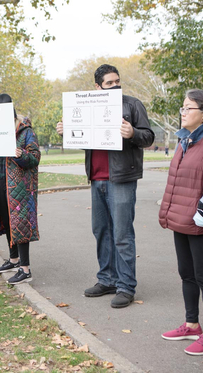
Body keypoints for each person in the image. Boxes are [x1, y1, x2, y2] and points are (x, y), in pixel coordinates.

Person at [56, 64, 154, 308]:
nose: (115, 86)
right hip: (97, 178)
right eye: (109, 83)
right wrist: (67, 132)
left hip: (121, 178)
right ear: (97, 86)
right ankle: (107, 279)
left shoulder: (132, 105)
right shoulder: (88, 105)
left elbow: (148, 136)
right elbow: (86, 137)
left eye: (117, 81)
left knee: (122, 233)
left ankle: (126, 286)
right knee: (101, 231)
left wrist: (132, 133)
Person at [159, 90, 203, 356]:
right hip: (180, 218)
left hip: (200, 221)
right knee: (186, 273)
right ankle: (192, 324)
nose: (183, 112)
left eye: (189, 108)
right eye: (182, 107)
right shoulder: (183, 141)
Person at [0, 93, 41, 285]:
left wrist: (20, 154)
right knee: (6, 222)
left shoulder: (25, 131)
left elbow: (35, 157)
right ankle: (13, 261)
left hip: (19, 186)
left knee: (19, 224)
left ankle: (25, 269)